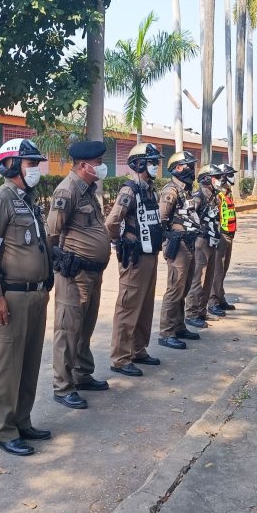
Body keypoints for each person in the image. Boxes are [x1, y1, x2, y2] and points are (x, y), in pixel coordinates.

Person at [0, 138, 55, 456]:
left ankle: (22, 420)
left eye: (36, 163)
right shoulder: (0, 200)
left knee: (29, 363)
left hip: (35, 295)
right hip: (11, 297)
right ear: (11, 166)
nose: (36, 169)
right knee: (7, 365)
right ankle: (4, 430)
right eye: (30, 163)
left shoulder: (29, 201)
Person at [46, 140, 111, 409]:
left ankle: (82, 374)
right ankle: (63, 386)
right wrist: (56, 263)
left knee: (85, 326)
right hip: (74, 273)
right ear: (84, 165)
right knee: (68, 329)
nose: (102, 167)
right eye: (98, 163)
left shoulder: (88, 190)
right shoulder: (68, 190)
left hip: (93, 272)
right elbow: (51, 232)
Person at [106, 143, 165, 376]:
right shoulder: (129, 191)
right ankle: (120, 358)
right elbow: (112, 222)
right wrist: (119, 242)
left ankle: (138, 349)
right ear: (139, 164)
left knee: (145, 306)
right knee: (128, 307)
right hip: (135, 257)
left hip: (150, 255)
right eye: (151, 162)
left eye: (156, 162)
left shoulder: (150, 190)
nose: (155, 166)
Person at [157, 150, 203, 350]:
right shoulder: (171, 191)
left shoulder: (186, 190)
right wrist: (167, 240)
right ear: (177, 168)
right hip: (177, 245)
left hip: (189, 243)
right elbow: (162, 219)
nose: (192, 169)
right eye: (188, 165)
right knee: (175, 289)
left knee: (184, 288)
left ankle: (178, 326)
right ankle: (166, 333)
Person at [184, 164, 223, 328]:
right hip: (201, 241)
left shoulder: (214, 196)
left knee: (209, 277)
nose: (220, 180)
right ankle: (191, 313)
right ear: (206, 179)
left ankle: (201, 310)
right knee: (198, 278)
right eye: (216, 177)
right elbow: (189, 218)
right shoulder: (198, 196)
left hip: (212, 240)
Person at [208, 163, 238, 314]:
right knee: (217, 270)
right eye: (230, 175)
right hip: (221, 235)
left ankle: (220, 297)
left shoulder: (228, 192)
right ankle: (213, 301)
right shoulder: (217, 194)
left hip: (229, 234)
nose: (233, 178)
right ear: (224, 177)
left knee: (223, 269)